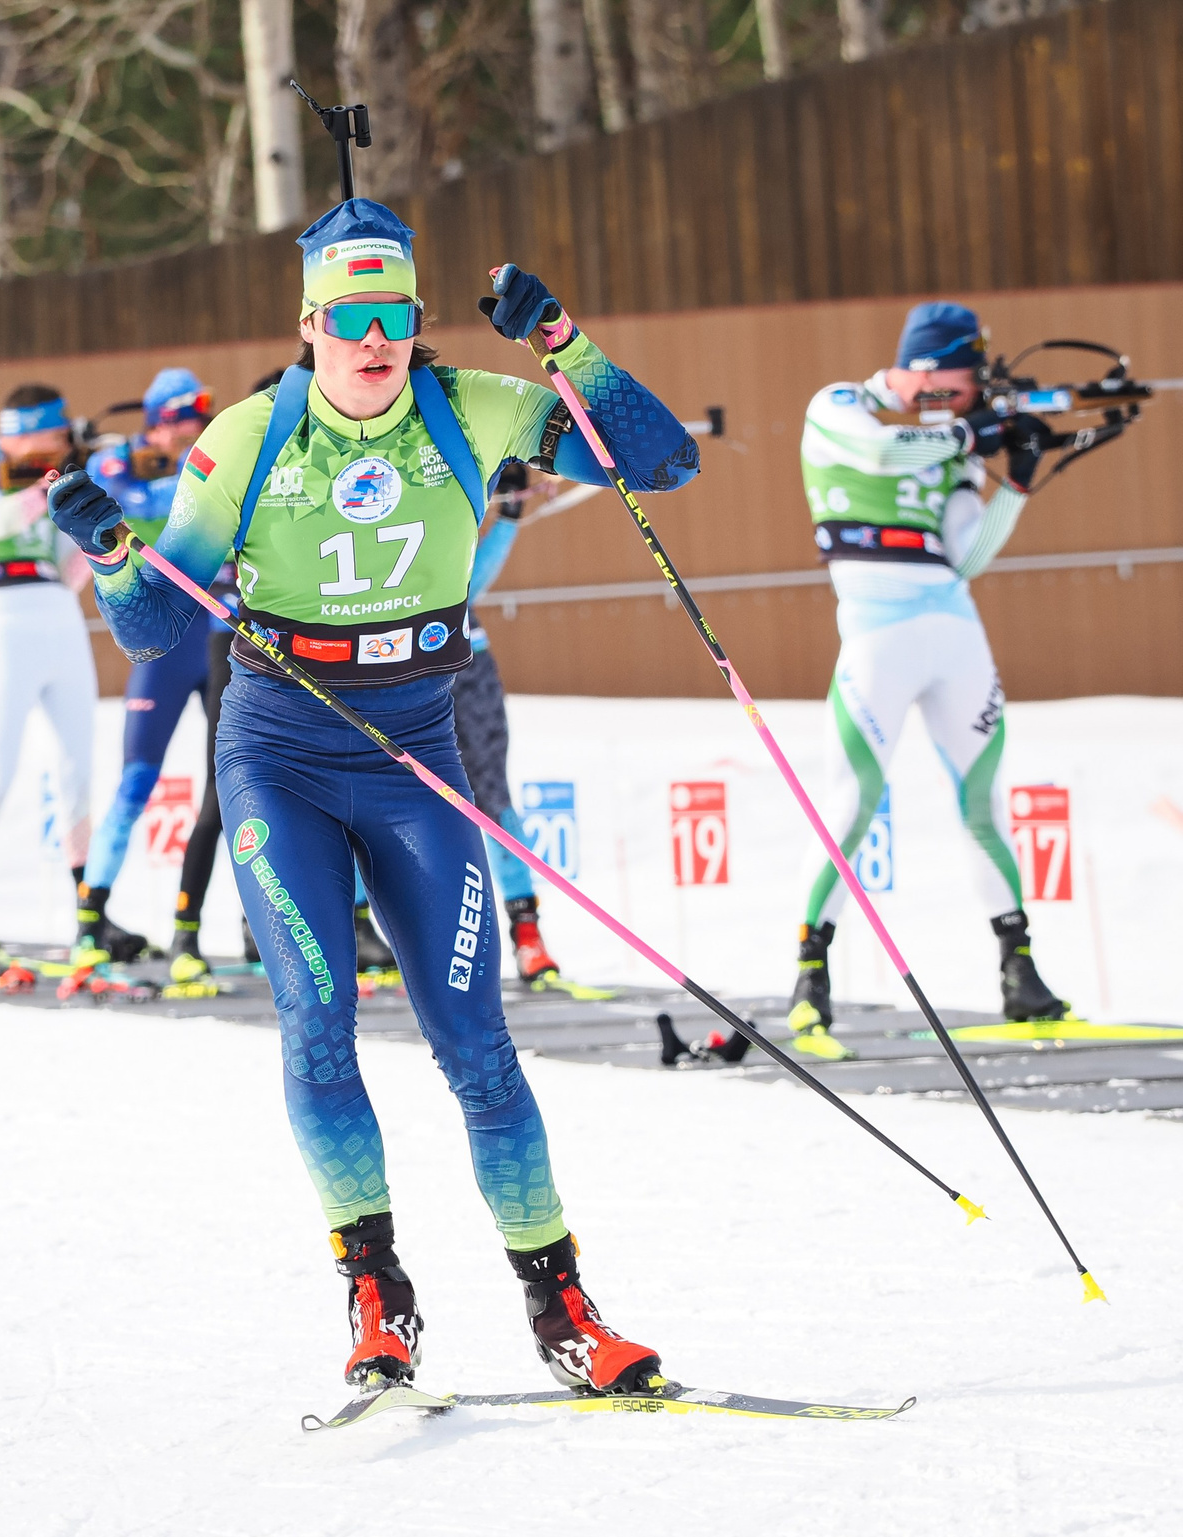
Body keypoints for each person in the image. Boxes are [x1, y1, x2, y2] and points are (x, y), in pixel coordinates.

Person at [45, 197, 699, 1394]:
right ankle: (376, 1295)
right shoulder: (247, 439)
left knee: (478, 1046)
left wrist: (561, 341)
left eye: (394, 312)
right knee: (319, 1017)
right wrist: (110, 556)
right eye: (349, 316)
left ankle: (562, 1309)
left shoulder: (475, 408)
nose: (374, 337)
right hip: (280, 757)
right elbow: (150, 633)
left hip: (413, 753)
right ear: (310, 323)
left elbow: (663, 461)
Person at [787, 300, 1067, 1058]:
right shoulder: (841, 405)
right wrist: (970, 434)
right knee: (855, 802)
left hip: (954, 627)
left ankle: (1021, 972)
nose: (974, 392)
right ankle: (811, 977)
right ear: (928, 367)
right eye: (965, 377)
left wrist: (1017, 480)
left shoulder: (951, 440)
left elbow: (966, 553)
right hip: (876, 634)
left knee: (983, 804)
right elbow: (881, 454)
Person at [0, 383, 96, 964]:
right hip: (4, 626)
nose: (62, 448)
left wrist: (92, 513)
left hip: (61, 622)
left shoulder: (47, 478)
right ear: (30, 433)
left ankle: (89, 918)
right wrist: (48, 485)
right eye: (58, 438)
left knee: (78, 772)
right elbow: (1, 520)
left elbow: (64, 572)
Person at [74, 368, 218, 967]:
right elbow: (121, 505)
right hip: (163, 643)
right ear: (158, 424)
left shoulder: (196, 458)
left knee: (229, 791)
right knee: (136, 784)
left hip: (214, 636)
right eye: (184, 420)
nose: (196, 431)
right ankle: (89, 921)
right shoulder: (117, 466)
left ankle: (209, 925)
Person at [454, 464, 573, 987]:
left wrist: (508, 507)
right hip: (382, 666)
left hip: (463, 665)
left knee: (492, 797)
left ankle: (527, 934)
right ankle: (364, 931)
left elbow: (466, 583)